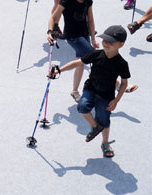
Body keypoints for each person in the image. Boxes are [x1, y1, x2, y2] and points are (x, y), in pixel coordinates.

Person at [49, 25, 130, 159]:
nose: (106, 43)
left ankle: (105, 143)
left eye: (110, 42)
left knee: (104, 120)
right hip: (90, 89)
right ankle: (94, 127)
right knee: (82, 107)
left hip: (106, 96)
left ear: (121, 45)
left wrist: (116, 100)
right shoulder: (96, 54)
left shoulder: (122, 64)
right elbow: (78, 63)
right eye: (105, 40)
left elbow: (124, 83)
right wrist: (59, 70)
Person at [47, 0, 97, 103]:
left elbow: (90, 21)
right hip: (73, 36)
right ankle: (117, 84)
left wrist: (93, 39)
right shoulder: (66, 0)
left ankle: (74, 91)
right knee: (96, 57)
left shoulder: (87, 0)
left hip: (84, 34)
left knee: (81, 62)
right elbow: (54, 18)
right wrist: (49, 31)